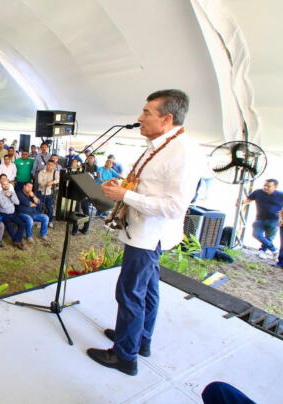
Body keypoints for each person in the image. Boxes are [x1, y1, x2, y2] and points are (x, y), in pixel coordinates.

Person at [88, 89, 201, 376]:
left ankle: (125, 356)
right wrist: (123, 187)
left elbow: (175, 206)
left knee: (129, 293)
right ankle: (139, 340)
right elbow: (150, 186)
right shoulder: (160, 145)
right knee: (147, 290)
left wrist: (126, 196)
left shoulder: (183, 152)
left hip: (149, 235)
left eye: (147, 113)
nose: (140, 118)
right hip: (143, 231)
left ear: (167, 119)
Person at [241, 179, 283, 259]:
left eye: (268, 186)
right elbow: (248, 200)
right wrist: (241, 202)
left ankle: (262, 251)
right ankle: (274, 249)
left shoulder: (282, 195)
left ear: (275, 187)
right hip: (260, 218)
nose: (265, 187)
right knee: (256, 234)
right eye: (264, 185)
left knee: (269, 238)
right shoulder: (258, 192)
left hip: (274, 220)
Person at [0, 180, 26, 249]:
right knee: (9, 226)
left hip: (12, 213)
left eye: (7, 184)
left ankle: (17, 240)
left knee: (22, 224)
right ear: (1, 186)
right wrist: (12, 202)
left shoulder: (12, 193)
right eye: (4, 184)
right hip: (4, 214)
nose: (6, 186)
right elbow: (3, 206)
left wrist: (11, 196)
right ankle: (17, 241)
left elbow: (17, 202)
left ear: (9, 185)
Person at [36, 160, 59, 229]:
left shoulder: (55, 172)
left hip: (50, 193)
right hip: (41, 192)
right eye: (48, 164)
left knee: (50, 208)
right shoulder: (41, 172)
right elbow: (40, 182)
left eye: (51, 165)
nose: (49, 166)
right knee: (39, 207)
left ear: (53, 166)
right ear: (46, 165)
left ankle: (50, 221)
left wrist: (52, 182)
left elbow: (58, 179)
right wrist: (46, 183)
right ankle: (39, 221)